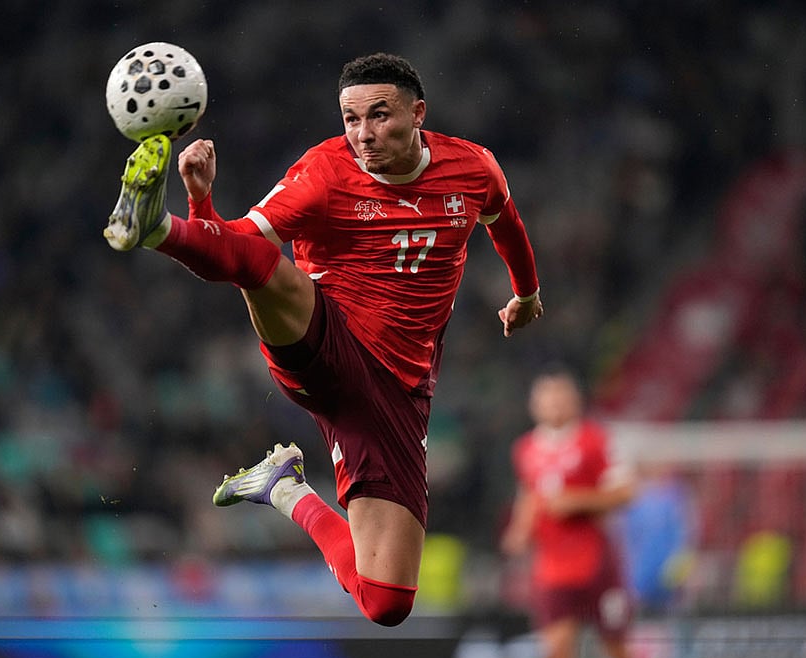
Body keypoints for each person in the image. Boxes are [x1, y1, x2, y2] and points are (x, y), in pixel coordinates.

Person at [103, 53, 543, 627]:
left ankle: (283, 489)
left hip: (399, 395)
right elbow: (235, 244)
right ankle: (153, 226)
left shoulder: (473, 168)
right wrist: (198, 208)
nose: (362, 134)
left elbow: (504, 220)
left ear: (418, 113)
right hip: (327, 339)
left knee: (387, 602)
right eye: (350, 119)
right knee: (262, 262)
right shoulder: (324, 173)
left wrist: (528, 294)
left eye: (379, 116)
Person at [500, 368, 637, 658]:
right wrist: (520, 530)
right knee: (557, 652)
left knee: (618, 651)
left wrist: (577, 501)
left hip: (597, 563)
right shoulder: (526, 449)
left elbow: (626, 492)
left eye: (561, 396)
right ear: (534, 405)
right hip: (552, 567)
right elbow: (529, 494)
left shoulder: (595, 441)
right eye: (547, 397)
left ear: (575, 401)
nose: (555, 403)